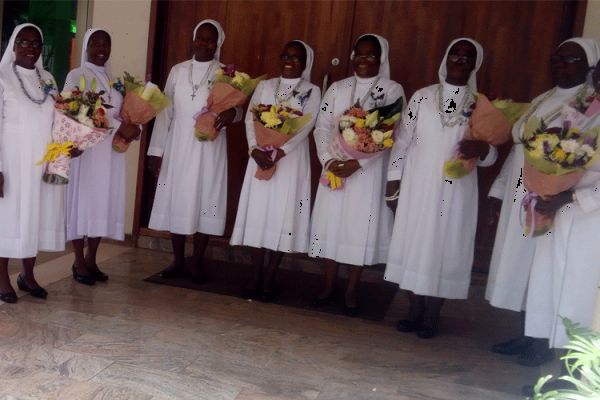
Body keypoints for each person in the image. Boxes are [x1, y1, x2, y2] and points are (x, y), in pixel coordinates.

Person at [485, 38, 599, 366]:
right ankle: (530, 331)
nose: (561, 66)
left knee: (542, 268)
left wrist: (561, 192)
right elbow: (521, 148)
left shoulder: (586, 106)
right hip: (524, 191)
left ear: (588, 67)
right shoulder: (542, 99)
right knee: (523, 265)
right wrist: (499, 189)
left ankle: (544, 341)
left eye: (571, 61)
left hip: (554, 197)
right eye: (557, 59)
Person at [384, 38, 496, 338]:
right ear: (445, 59)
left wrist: (482, 150)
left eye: (467, 56)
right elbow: (403, 140)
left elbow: (491, 152)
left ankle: (432, 315)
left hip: (455, 191)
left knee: (444, 248)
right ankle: (414, 309)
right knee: (414, 245)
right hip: (417, 187)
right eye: (455, 54)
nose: (460, 60)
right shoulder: (422, 97)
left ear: (475, 64)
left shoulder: (480, 103)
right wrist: (393, 180)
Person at [309, 34, 405, 316]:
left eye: (371, 54)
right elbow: (321, 127)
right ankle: (328, 285)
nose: (364, 59)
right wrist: (328, 161)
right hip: (335, 169)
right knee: (332, 225)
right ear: (352, 57)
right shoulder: (338, 88)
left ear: (381, 58)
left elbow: (391, 131)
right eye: (359, 54)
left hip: (367, 174)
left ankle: (351, 288)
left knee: (358, 229)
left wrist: (359, 164)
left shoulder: (391, 89)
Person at [523, 38, 600, 364]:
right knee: (550, 288)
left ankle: (570, 377)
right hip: (559, 213)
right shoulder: (582, 113)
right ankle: (552, 371)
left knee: (578, 297)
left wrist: (569, 196)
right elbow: (555, 151)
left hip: (590, 221)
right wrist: (548, 190)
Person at [147, 20, 242, 281]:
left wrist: (233, 114)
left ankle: (198, 261)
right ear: (193, 39)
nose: (204, 43)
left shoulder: (226, 73)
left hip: (208, 148)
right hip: (178, 145)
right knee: (178, 198)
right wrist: (156, 150)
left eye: (210, 40)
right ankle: (177, 261)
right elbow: (165, 113)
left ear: (218, 43)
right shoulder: (177, 71)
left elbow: (238, 108)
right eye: (200, 38)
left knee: (205, 197)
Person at [230, 40, 320, 302]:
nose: (290, 61)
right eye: (286, 55)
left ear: (306, 63)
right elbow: (250, 118)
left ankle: (270, 275)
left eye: (297, 57)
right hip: (259, 156)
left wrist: (282, 150)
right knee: (260, 212)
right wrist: (253, 149)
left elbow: (307, 124)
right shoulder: (265, 86)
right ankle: (255, 273)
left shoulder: (312, 91)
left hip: (290, 160)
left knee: (282, 213)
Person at [65, 29, 141, 286]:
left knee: (102, 204)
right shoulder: (76, 75)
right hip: (87, 153)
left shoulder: (115, 81)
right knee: (82, 202)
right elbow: (67, 110)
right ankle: (78, 260)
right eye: (95, 43)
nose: (101, 48)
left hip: (110, 154)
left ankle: (92, 259)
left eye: (106, 44)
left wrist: (134, 127)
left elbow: (124, 115)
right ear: (86, 46)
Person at [0, 23, 66, 302]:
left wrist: (70, 145)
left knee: (35, 216)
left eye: (36, 43)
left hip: (43, 160)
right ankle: (1, 277)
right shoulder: (2, 76)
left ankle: (28, 275)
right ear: (14, 45)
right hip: (11, 161)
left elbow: (59, 118)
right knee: (8, 217)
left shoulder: (47, 78)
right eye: (24, 42)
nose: (30, 47)